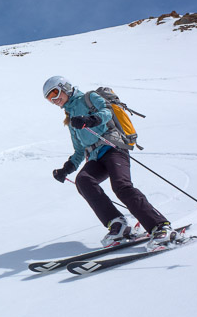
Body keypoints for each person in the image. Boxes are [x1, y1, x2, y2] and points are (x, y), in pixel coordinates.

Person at [42, 75, 175, 250]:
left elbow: (106, 112)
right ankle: (117, 224)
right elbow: (80, 150)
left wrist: (91, 120)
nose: (54, 99)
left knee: (121, 186)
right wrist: (66, 169)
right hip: (96, 157)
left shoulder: (88, 98)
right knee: (83, 181)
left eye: (55, 93)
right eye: (50, 99)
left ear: (64, 87)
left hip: (113, 148)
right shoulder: (70, 117)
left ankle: (160, 226)